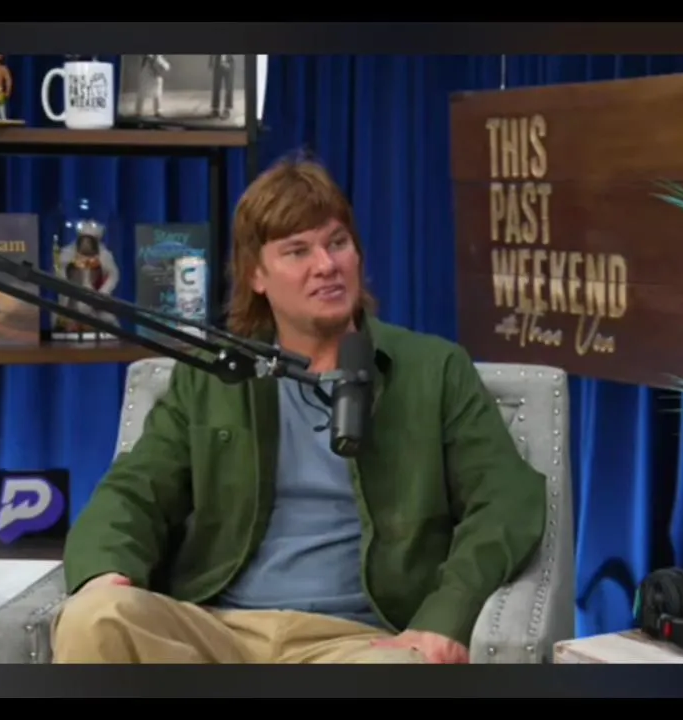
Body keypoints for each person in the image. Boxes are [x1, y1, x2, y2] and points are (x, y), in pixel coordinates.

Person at [54, 155, 546, 664]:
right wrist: (105, 571)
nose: (326, 265)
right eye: (297, 251)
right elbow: (135, 492)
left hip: (355, 642)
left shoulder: (434, 369)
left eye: (337, 242)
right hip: (217, 630)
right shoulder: (214, 375)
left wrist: (445, 616)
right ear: (256, 275)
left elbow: (506, 501)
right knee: (94, 615)